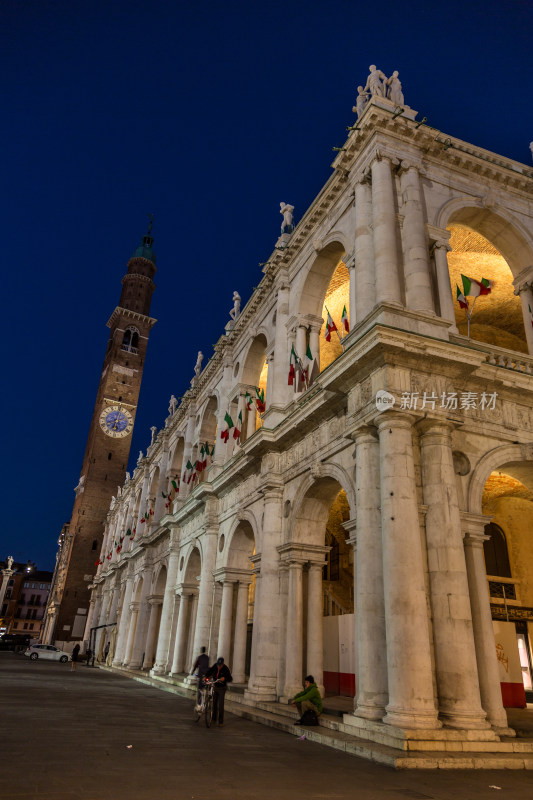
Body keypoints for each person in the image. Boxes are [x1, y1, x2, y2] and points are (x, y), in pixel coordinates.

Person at [205, 656, 233, 726]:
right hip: (215, 686)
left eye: (220, 665)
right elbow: (210, 671)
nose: (218, 667)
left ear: (222, 664)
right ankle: (214, 718)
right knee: (214, 703)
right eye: (218, 665)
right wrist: (206, 676)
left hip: (222, 688)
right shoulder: (215, 666)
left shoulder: (225, 669)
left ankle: (221, 721)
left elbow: (230, 678)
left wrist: (224, 678)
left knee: (221, 704)